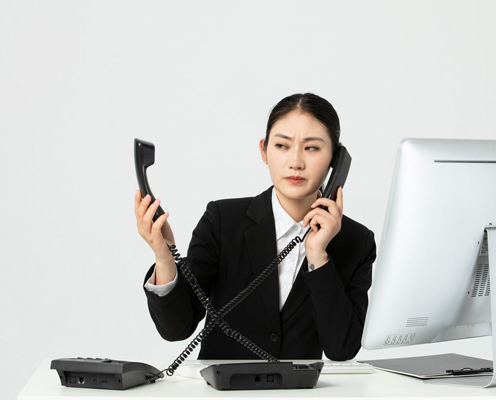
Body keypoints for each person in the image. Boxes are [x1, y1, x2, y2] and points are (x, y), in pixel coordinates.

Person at [135, 93, 376, 361]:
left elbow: (342, 349)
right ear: (264, 150)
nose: (296, 162)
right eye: (282, 145)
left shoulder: (357, 241)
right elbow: (176, 329)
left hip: (301, 386)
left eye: (311, 148)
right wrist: (164, 257)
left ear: (336, 158)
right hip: (223, 385)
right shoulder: (222, 220)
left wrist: (318, 256)